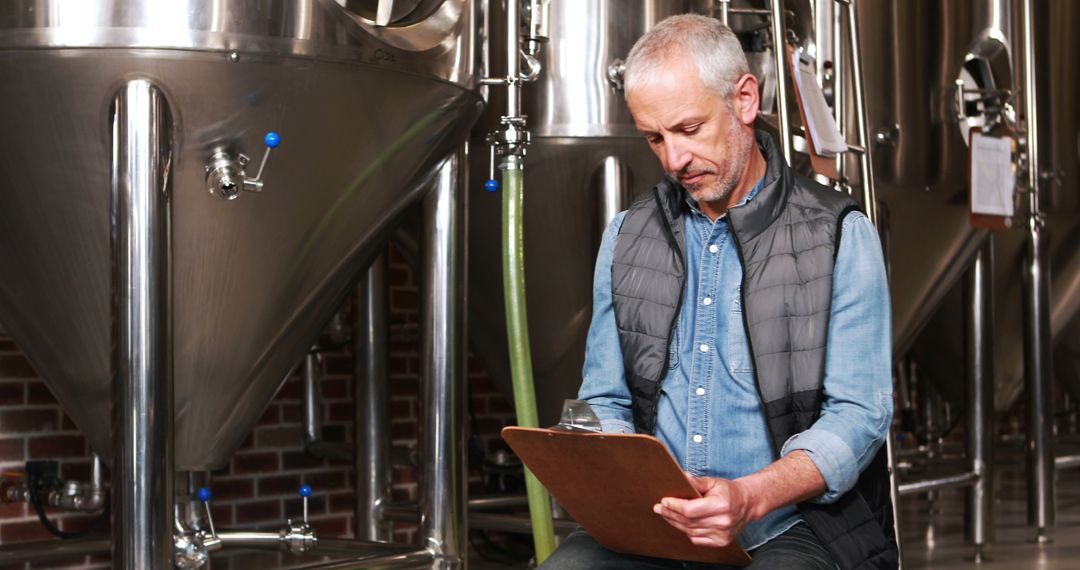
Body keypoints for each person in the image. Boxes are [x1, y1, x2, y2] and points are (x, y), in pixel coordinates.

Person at [539, 14, 897, 570]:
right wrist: (623, 479)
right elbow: (604, 399)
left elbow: (858, 414)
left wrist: (751, 495)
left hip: (790, 525)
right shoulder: (626, 235)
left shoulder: (838, 234)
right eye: (655, 138)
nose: (673, 160)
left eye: (688, 129)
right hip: (657, 525)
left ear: (745, 99)